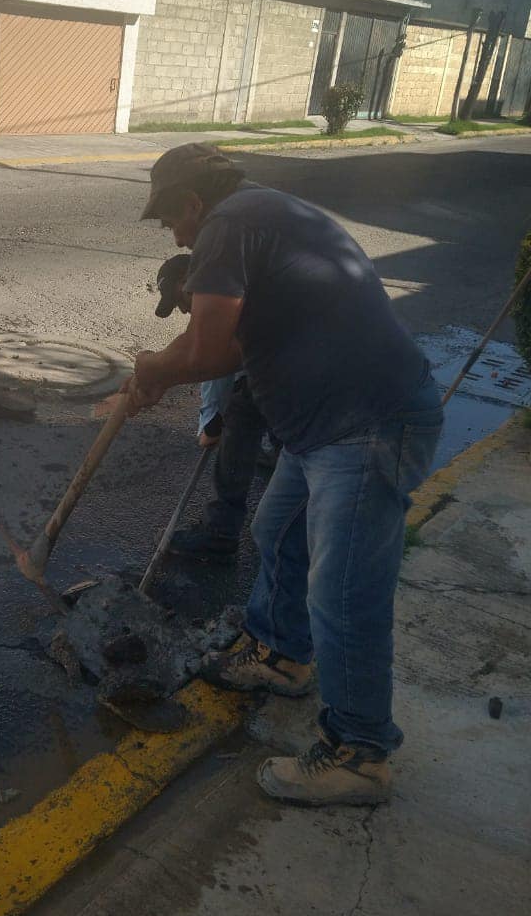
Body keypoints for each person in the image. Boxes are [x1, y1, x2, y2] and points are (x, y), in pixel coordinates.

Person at [127, 143, 443, 806]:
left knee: (344, 590)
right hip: (325, 426)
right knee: (277, 527)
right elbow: (227, 341)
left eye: (169, 221)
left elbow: (209, 350)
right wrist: (164, 364)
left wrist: (156, 369)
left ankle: (360, 754)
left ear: (191, 203)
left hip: (368, 422)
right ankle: (282, 654)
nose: (175, 235)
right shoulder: (261, 214)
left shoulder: (225, 227)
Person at [153, 253, 274, 558]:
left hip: (285, 371)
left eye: (180, 298)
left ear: (191, 282)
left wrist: (211, 423)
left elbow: (213, 368)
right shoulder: (232, 283)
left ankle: (220, 533)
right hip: (284, 364)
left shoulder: (224, 297)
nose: (181, 309)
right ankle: (276, 449)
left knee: (239, 418)